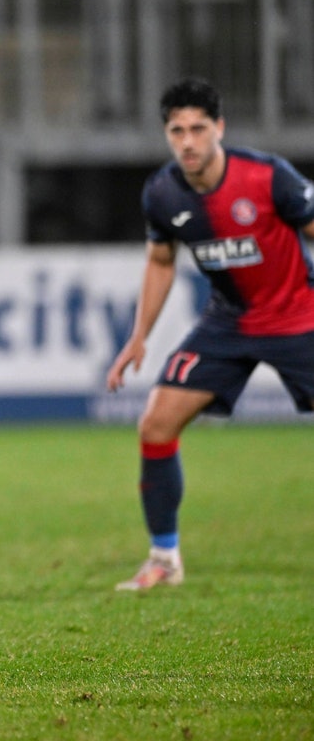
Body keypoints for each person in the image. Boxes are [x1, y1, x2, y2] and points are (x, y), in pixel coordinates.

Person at [106, 77, 314, 591]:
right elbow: (160, 262)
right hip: (228, 323)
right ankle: (164, 559)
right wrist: (139, 337)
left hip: (299, 317)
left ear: (219, 128)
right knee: (155, 424)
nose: (188, 141)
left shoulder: (269, 178)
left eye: (199, 128)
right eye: (177, 130)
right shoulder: (162, 192)